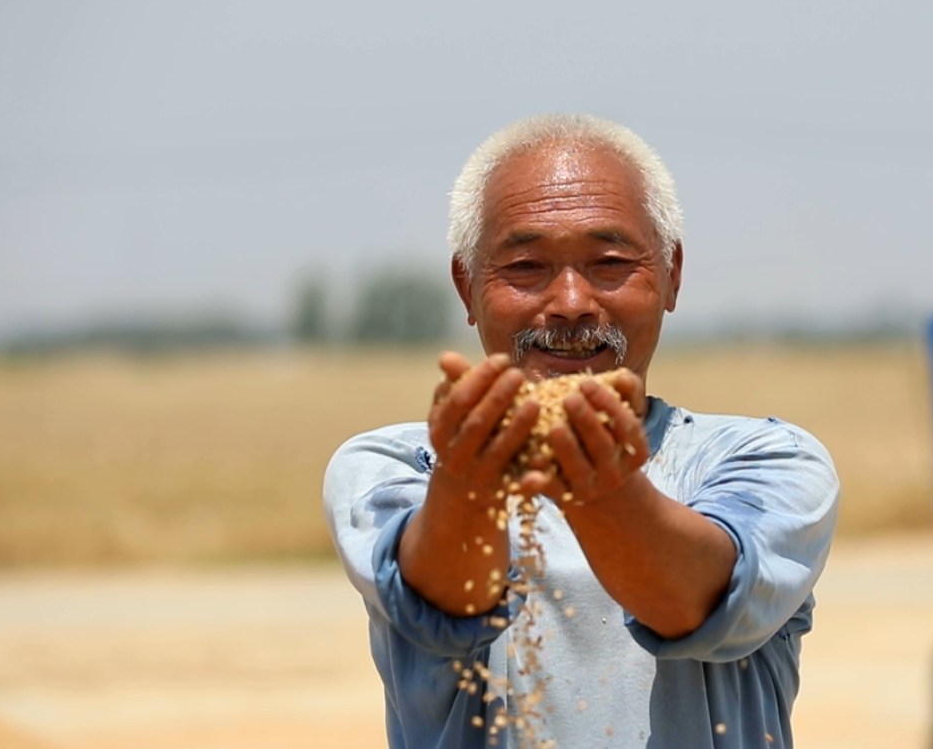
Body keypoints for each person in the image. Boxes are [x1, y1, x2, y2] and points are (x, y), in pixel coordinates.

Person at [323, 114, 839, 748]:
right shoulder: (399, 466)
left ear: (672, 275)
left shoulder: (767, 460)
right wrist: (470, 482)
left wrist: (599, 488)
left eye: (609, 262)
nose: (570, 302)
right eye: (527, 266)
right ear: (467, 284)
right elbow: (442, 598)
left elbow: (689, 600)